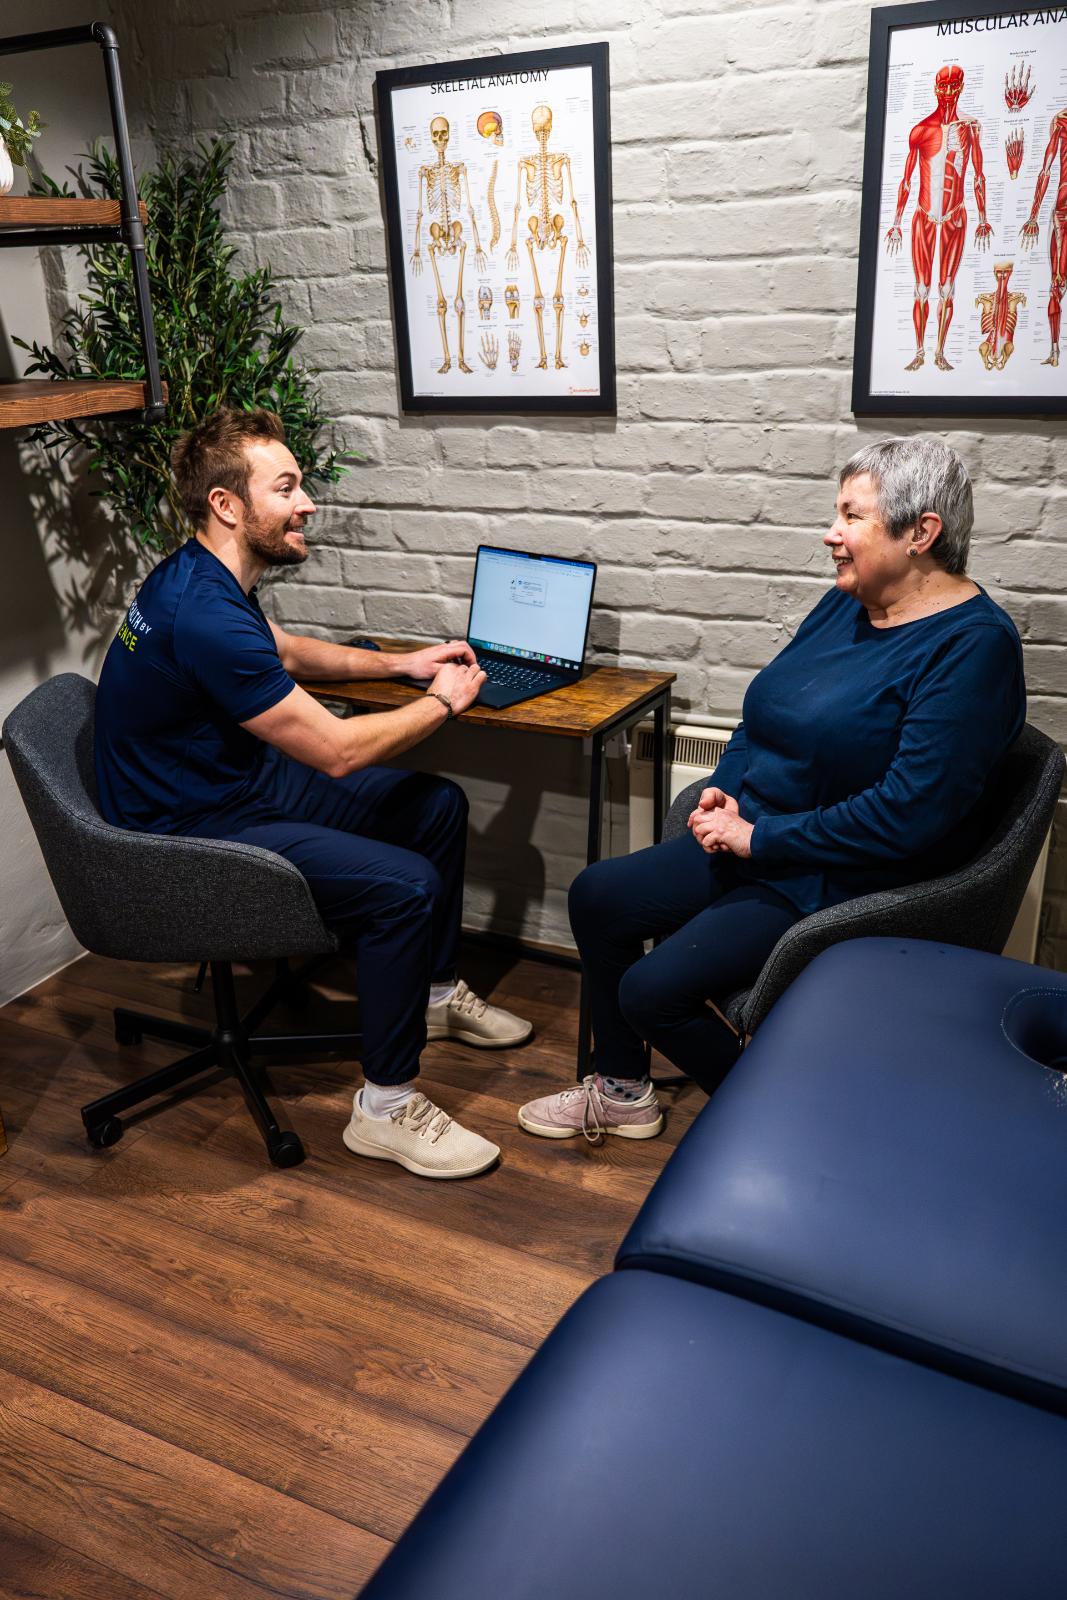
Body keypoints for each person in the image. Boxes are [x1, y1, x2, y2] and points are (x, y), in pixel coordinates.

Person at [518, 437, 1026, 1143]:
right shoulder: (848, 602)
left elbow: (908, 814)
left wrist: (759, 837)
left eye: (851, 516)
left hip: (843, 874)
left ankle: (781, 1129)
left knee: (650, 992)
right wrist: (724, 791)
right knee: (597, 896)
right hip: (765, 838)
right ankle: (623, 1091)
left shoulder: (972, 648)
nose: (831, 533)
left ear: (921, 532)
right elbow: (765, 713)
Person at [94, 406, 532, 1180]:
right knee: (404, 887)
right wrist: (442, 702)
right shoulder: (201, 613)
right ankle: (385, 1110)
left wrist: (401, 665)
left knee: (434, 808)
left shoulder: (199, 573)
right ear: (228, 505)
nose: (308, 503)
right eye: (287, 487)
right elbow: (336, 752)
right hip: (184, 829)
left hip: (230, 783)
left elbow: (284, 652)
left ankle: (431, 996)